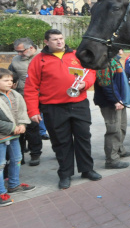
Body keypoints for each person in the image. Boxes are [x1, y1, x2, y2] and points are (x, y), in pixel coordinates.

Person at [24, 29, 101, 190]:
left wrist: (85, 84)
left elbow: (90, 71)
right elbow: (31, 87)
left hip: (78, 104)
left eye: (61, 38)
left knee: (83, 138)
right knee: (61, 142)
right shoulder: (38, 60)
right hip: (53, 107)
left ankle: (87, 169)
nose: (59, 42)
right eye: (54, 39)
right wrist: (33, 111)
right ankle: (65, 174)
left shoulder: (76, 54)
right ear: (46, 42)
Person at [0, 69, 36, 207]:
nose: (10, 82)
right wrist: (11, 127)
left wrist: (22, 124)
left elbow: (22, 111)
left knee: (17, 159)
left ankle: (14, 185)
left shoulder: (15, 95)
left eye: (11, 80)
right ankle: (0, 192)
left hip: (15, 134)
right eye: (5, 80)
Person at [94, 50, 130, 169]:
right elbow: (106, 84)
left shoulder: (115, 60)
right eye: (120, 47)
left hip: (120, 101)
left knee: (121, 127)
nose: (122, 50)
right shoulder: (104, 62)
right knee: (113, 130)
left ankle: (120, 150)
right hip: (111, 103)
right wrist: (115, 100)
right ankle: (111, 160)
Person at [9, 38, 43, 166]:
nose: (19, 54)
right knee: (25, 125)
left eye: (21, 51)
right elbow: (11, 76)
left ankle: (36, 153)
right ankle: (21, 154)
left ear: (31, 48)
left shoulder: (42, 57)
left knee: (40, 126)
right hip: (24, 96)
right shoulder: (15, 61)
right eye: (17, 51)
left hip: (44, 96)